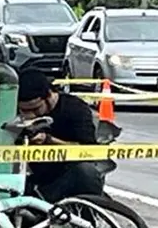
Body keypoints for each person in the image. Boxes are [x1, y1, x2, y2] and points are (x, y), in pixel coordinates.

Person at [16, 69, 105, 202]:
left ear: (49, 96)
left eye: (35, 109)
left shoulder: (75, 109)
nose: (31, 115)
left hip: (65, 174)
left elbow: (88, 149)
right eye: (24, 110)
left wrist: (49, 140)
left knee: (86, 172)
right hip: (29, 174)